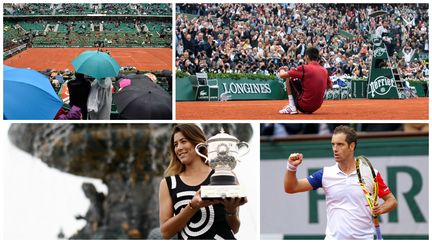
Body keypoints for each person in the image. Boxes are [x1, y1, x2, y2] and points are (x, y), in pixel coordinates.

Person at [284, 125, 397, 240]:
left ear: (351, 146)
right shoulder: (325, 174)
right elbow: (291, 188)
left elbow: (391, 201)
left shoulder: (370, 173)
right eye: (333, 144)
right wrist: (291, 168)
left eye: (340, 144)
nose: (335, 149)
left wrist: (381, 209)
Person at [159, 124, 247, 239]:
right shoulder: (168, 183)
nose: (178, 148)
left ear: (197, 143)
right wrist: (192, 207)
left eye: (183, 141)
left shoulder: (224, 175)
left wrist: (231, 210)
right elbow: (165, 233)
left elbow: (235, 229)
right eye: (175, 144)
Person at [278, 47, 332, 114]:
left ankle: (292, 106)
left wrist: (281, 69)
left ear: (307, 56)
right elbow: (330, 86)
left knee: (290, 78)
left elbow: (282, 75)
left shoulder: (304, 68)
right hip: (317, 106)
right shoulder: (324, 70)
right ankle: (294, 106)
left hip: (303, 105)